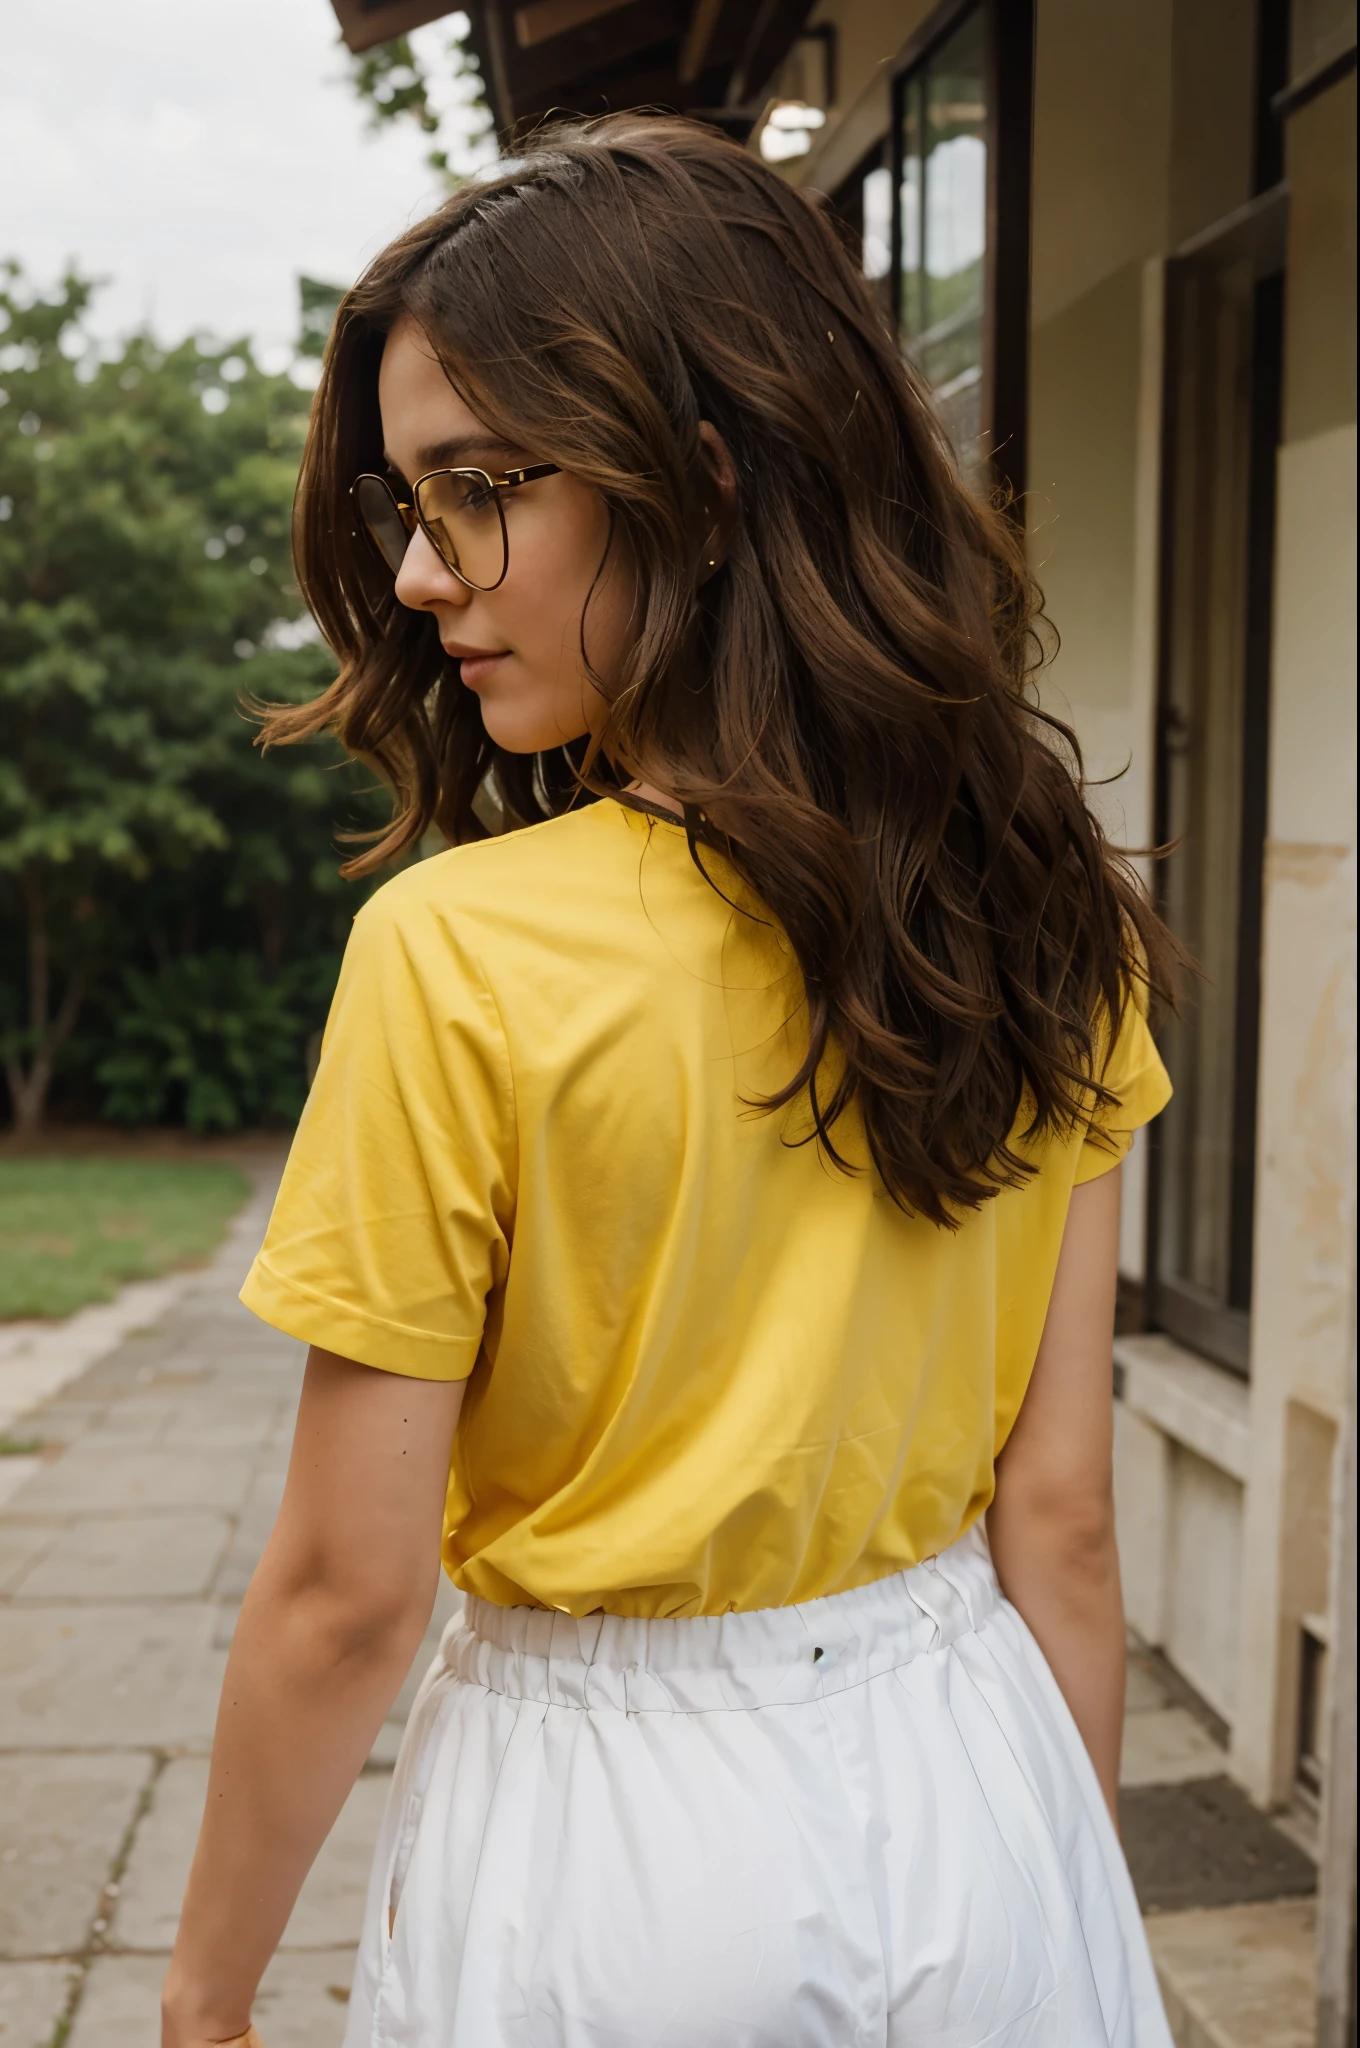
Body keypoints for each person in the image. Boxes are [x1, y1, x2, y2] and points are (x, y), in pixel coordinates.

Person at [162, 114, 1179, 2048]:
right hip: (987, 1782)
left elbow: (343, 1595)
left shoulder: (461, 953)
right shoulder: (1054, 913)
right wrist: (1053, 1872)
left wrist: (203, 2004)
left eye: (477, 490)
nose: (418, 580)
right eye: (404, 503)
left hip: (610, 1855)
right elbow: (1061, 1517)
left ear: (701, 482)